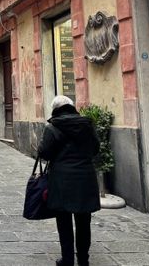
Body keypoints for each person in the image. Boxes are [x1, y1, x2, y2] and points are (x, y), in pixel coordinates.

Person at [38, 95, 100, 266]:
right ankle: (83, 259)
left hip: (61, 179)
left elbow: (44, 153)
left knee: (63, 221)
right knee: (83, 221)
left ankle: (67, 260)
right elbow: (95, 149)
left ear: (55, 109)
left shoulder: (52, 127)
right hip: (85, 178)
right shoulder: (87, 124)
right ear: (72, 107)